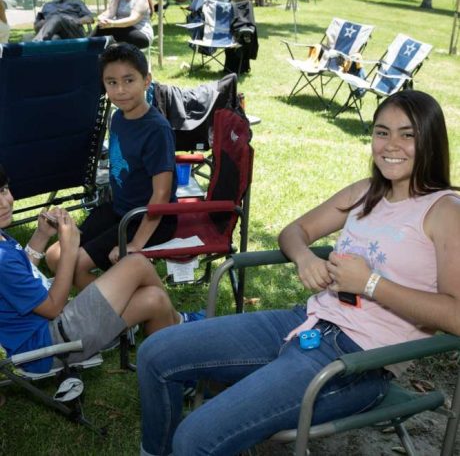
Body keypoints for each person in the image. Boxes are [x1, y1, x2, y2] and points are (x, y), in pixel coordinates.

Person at [136, 89, 460, 456]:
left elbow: (456, 315)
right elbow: (293, 232)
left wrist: (370, 284)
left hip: (358, 362)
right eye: (382, 132)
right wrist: (306, 259)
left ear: (431, 140)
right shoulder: (366, 191)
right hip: (305, 322)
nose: (391, 144)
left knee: (194, 438)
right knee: (156, 353)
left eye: (408, 134)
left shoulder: (445, 212)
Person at [0, 164, 202, 375]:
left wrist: (41, 235)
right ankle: (181, 324)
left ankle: (174, 372)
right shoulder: (2, 261)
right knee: (136, 264)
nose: (5, 203)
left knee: (154, 299)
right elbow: (52, 308)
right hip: (47, 347)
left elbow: (22, 273)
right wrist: (69, 251)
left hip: (51, 331)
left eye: (4, 190)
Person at [46, 43, 185, 298]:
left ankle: (132, 312)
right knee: (55, 256)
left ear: (146, 81)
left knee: (74, 266)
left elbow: (161, 195)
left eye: (128, 80)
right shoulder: (118, 117)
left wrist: (136, 244)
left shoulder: (157, 130)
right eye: (111, 82)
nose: (120, 91)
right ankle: (116, 309)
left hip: (148, 219)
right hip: (118, 209)